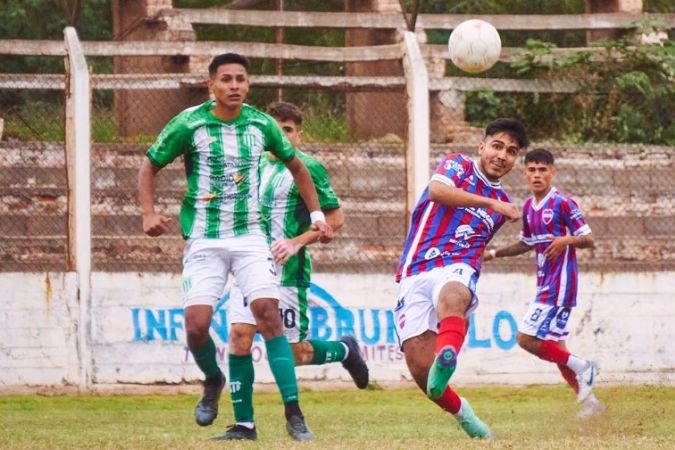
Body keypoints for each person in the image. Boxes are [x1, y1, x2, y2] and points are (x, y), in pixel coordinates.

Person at [137, 53, 332, 441]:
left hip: (249, 237)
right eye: (225, 79)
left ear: (248, 84)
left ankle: (294, 413)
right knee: (197, 327)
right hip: (205, 240)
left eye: (241, 79)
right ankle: (213, 379)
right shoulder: (190, 123)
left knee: (267, 314)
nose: (234, 86)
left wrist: (315, 216)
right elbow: (149, 165)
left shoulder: (260, 124)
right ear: (211, 85)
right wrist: (148, 213)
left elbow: (297, 166)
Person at [213, 102, 369, 441]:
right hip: (250, 267)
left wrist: (298, 241)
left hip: (288, 273)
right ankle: (244, 425)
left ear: (298, 134)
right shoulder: (252, 166)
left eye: (288, 129)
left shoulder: (307, 168)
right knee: (240, 335)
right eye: (275, 128)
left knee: (294, 353)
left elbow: (335, 219)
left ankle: (344, 350)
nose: (281, 135)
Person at [393, 118, 529, 439]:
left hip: (456, 267)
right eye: (497, 146)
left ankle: (448, 354)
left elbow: (475, 245)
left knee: (454, 295)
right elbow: (438, 192)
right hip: (415, 269)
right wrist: (490, 202)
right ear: (482, 146)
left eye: (511, 152)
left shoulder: (502, 207)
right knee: (419, 369)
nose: (502, 155)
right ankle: (464, 415)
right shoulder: (459, 165)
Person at [484, 148, 604, 419]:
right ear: (525, 173)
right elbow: (526, 243)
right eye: (532, 170)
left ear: (552, 172)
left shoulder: (563, 203)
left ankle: (584, 366)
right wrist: (493, 253)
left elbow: (588, 238)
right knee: (557, 349)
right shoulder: (528, 207)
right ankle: (591, 404)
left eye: (543, 170)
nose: (537, 175)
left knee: (526, 339)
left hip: (560, 285)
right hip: (545, 284)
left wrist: (565, 240)